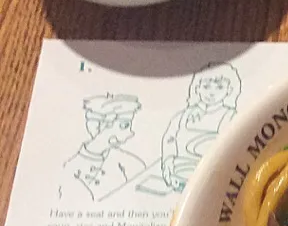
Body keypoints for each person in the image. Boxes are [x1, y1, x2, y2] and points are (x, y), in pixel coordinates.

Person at [160, 63, 240, 192]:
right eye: (206, 86)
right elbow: (170, 139)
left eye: (219, 87)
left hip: (212, 180)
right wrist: (168, 163)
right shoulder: (182, 116)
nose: (211, 92)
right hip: (178, 173)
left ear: (229, 90)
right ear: (197, 88)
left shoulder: (230, 116)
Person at [63, 94, 146, 200]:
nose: (130, 133)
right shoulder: (70, 169)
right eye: (124, 125)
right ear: (100, 126)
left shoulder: (131, 162)